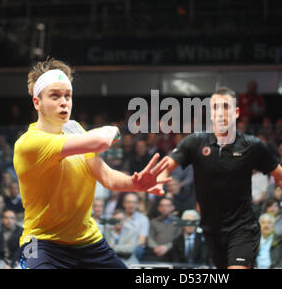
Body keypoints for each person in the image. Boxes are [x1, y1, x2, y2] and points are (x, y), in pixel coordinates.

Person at [13, 58, 171, 269]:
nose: (64, 102)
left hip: (88, 242)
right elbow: (101, 140)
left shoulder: (75, 129)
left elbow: (104, 175)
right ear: (37, 102)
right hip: (42, 244)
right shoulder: (29, 144)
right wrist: (116, 129)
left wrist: (136, 184)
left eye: (68, 96)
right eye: (55, 96)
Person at [156, 87, 282, 269]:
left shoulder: (252, 146)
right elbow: (167, 165)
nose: (220, 113)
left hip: (242, 229)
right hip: (211, 230)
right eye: (215, 107)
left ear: (236, 112)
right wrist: (159, 179)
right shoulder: (194, 142)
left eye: (225, 107)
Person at [143, 197, 181, 262]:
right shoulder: (154, 222)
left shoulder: (178, 222)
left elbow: (179, 238)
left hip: (172, 251)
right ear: (159, 208)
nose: (164, 208)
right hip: (155, 251)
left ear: (172, 207)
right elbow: (149, 238)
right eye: (162, 206)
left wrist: (166, 247)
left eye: (167, 206)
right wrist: (156, 247)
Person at [122, 192, 150, 261]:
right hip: (120, 246)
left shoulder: (143, 219)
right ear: (124, 203)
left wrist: (128, 247)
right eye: (129, 202)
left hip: (136, 247)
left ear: (138, 204)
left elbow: (142, 240)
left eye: (134, 202)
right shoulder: (119, 218)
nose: (131, 205)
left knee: (137, 251)